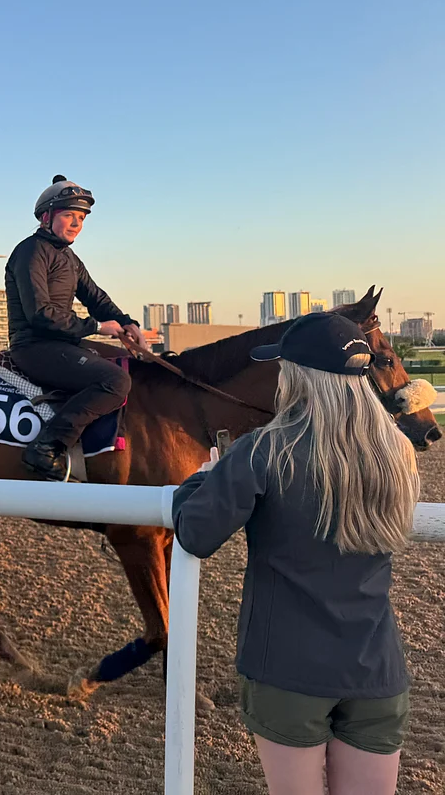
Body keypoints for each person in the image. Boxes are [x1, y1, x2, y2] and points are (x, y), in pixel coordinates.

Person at [172, 312, 420, 795]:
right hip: (376, 670)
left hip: (287, 670)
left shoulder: (264, 450)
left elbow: (196, 533)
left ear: (299, 376)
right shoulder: (397, 452)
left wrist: (204, 478)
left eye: (283, 367)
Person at [5, 174, 145, 479]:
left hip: (63, 343)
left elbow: (95, 296)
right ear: (46, 217)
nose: (76, 224)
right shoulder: (30, 251)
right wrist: (96, 326)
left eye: (81, 218)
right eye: (69, 215)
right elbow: (40, 314)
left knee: (129, 364)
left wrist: (126, 322)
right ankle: (47, 447)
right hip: (34, 347)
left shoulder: (69, 257)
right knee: (115, 381)